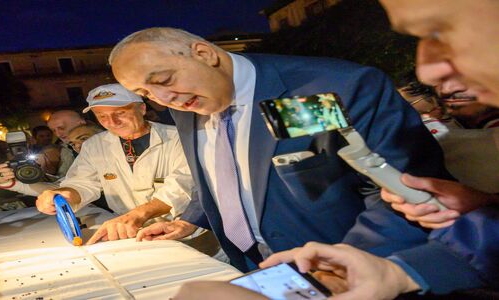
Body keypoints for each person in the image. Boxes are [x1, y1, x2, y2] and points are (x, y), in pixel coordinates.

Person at [110, 27, 449, 273]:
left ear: (204, 54)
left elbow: (403, 189)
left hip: (349, 266)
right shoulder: (186, 104)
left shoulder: (323, 90)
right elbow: (219, 171)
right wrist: (191, 220)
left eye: (165, 80)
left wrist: (347, 260)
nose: (163, 99)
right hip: (250, 265)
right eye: (145, 93)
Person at [35, 83, 194, 244]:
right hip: (133, 236)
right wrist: (64, 195)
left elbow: (183, 185)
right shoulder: (95, 145)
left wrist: (136, 215)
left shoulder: (178, 138)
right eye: (102, 116)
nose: (112, 122)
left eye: (121, 112)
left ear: (142, 109)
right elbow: (82, 182)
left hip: (187, 234)